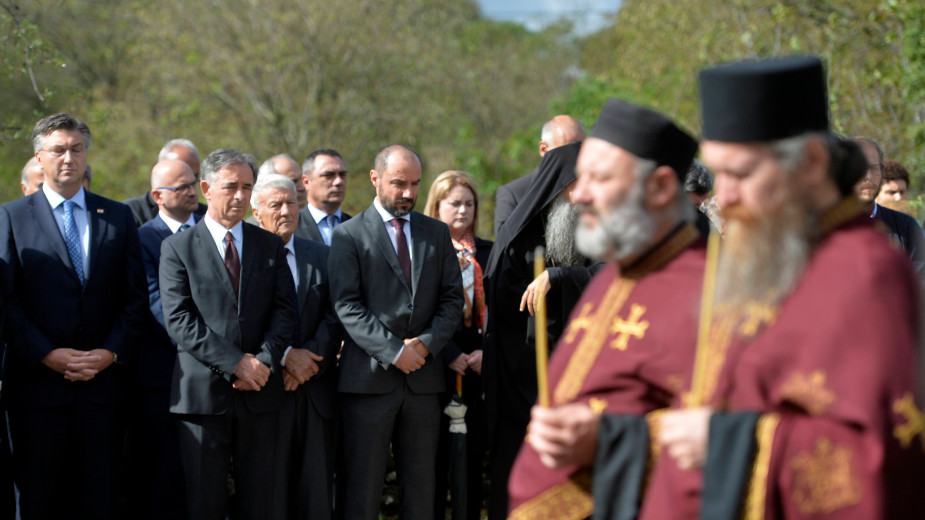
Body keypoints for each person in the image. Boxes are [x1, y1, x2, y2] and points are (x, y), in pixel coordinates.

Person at [639, 55, 925, 520]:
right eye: (718, 173)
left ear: (810, 165)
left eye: (742, 173)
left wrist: (729, 441)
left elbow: (882, 448)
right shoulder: (755, 261)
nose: (722, 196)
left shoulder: (866, 275)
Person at [505, 99, 702, 519]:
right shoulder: (611, 280)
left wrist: (607, 437)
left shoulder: (707, 289)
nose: (582, 194)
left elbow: (725, 431)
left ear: (662, 188)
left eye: (600, 177)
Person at [0, 113, 148, 519]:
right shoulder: (11, 216)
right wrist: (47, 354)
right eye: (58, 150)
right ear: (39, 156)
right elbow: (6, 302)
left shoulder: (118, 217)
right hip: (37, 390)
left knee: (99, 500)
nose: (69, 157)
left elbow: (135, 299)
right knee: (37, 502)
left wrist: (110, 353)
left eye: (76, 149)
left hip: (102, 391)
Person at [159, 148, 297, 520]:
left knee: (262, 502)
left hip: (261, 393)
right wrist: (236, 363)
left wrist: (262, 363)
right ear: (206, 187)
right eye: (231, 186)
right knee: (203, 503)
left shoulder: (269, 244)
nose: (240, 196)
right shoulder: (177, 247)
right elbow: (180, 319)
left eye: (247, 187)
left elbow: (285, 312)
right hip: (202, 398)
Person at [327, 144, 463, 520]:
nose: (408, 193)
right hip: (367, 384)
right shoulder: (348, 236)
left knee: (421, 489)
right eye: (399, 183)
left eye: (415, 184)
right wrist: (394, 351)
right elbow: (346, 305)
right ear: (375, 179)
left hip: (424, 381)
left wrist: (426, 345)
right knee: (362, 489)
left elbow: (452, 300)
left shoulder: (436, 233)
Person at [482, 140, 602, 518]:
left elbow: (611, 275)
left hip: (582, 377)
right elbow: (506, 310)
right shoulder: (517, 240)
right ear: (559, 187)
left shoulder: (596, 228)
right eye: (578, 185)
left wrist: (561, 276)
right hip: (525, 379)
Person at [250, 173, 343, 520]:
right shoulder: (244, 255)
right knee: (270, 494)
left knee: (316, 495)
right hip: (266, 390)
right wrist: (287, 356)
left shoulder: (321, 255)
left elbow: (337, 313)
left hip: (315, 391)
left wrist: (309, 363)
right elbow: (242, 318)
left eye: (291, 202)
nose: (286, 210)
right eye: (276, 205)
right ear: (257, 211)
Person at [128, 158, 202, 519]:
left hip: (214, 377)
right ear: (157, 196)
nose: (192, 191)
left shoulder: (213, 228)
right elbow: (155, 305)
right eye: (181, 187)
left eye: (193, 183)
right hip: (165, 376)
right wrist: (211, 344)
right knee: (165, 474)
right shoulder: (143, 238)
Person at [423, 170, 493, 520]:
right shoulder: (423, 253)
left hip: (480, 369)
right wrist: (448, 353)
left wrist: (486, 353)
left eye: (469, 204)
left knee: (472, 458)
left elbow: (502, 313)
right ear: (436, 207)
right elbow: (418, 312)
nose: (463, 211)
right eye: (455, 204)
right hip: (436, 366)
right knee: (434, 462)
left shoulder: (491, 253)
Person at [494, 115, 586, 236]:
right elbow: (504, 248)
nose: (576, 155)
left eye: (581, 147)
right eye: (569, 148)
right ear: (544, 149)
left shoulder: (590, 190)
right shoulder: (513, 194)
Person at [851, 136, 925, 277]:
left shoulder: (907, 228)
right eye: (860, 167)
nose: (868, 176)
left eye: (874, 168)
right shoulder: (823, 228)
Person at [125, 138, 208, 226]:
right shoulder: (132, 213)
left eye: (194, 178)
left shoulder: (207, 217)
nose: (192, 192)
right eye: (183, 186)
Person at [296, 149, 350, 245]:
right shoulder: (293, 227)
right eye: (328, 175)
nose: (339, 181)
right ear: (306, 182)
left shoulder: (357, 227)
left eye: (342, 175)